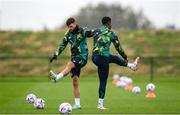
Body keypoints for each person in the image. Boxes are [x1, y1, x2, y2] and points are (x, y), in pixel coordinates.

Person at [91, 16, 140, 109]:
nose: (111, 24)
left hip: (94, 57)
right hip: (103, 58)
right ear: (109, 23)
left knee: (113, 58)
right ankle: (100, 105)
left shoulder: (96, 30)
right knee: (103, 81)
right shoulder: (111, 34)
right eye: (111, 22)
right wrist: (125, 57)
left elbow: (86, 33)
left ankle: (131, 66)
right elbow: (119, 48)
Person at [49, 17, 89, 109]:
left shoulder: (82, 30)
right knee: (75, 81)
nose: (70, 28)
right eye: (68, 27)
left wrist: (92, 33)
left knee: (70, 64)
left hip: (83, 57)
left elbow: (89, 33)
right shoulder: (68, 34)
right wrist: (56, 54)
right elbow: (62, 45)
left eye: (71, 26)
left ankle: (56, 78)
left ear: (75, 23)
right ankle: (77, 104)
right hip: (74, 57)